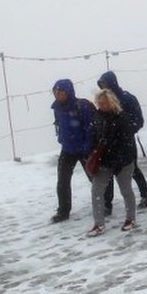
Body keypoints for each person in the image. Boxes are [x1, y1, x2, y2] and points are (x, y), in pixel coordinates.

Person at [97, 71, 147, 208]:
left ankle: (145, 195)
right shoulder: (104, 101)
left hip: (126, 142)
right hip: (109, 143)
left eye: (105, 84)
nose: (104, 88)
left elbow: (139, 120)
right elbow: (100, 119)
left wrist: (125, 131)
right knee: (108, 171)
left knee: (132, 169)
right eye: (101, 85)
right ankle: (107, 204)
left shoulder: (127, 99)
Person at [87, 90, 138, 236]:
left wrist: (119, 159)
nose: (102, 105)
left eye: (105, 102)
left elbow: (127, 142)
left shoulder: (122, 118)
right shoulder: (97, 118)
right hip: (104, 161)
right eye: (100, 103)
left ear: (112, 102)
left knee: (126, 189)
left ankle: (130, 218)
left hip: (123, 162)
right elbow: (93, 138)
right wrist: (92, 153)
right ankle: (98, 223)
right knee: (96, 191)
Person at [50, 79, 96, 223]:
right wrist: (62, 140)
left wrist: (87, 146)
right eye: (55, 91)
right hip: (67, 149)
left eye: (60, 91)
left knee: (94, 178)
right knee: (63, 181)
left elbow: (89, 127)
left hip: (83, 149)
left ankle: (105, 203)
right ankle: (63, 211)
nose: (57, 94)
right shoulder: (57, 108)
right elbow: (60, 125)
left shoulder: (81, 106)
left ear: (68, 92)